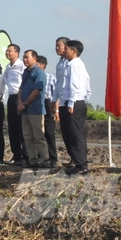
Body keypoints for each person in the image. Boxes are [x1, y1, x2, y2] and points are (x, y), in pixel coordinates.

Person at [59, 40, 91, 176]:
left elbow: (75, 85)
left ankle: (81, 165)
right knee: (72, 133)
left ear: (74, 50)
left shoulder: (74, 64)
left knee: (76, 134)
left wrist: (71, 103)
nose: (64, 51)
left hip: (74, 102)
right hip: (77, 101)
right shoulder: (77, 64)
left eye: (67, 49)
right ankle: (79, 163)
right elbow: (87, 83)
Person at [18, 50, 49, 168]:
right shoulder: (25, 72)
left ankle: (45, 160)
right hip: (25, 110)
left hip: (35, 109)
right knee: (27, 135)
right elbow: (21, 89)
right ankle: (33, 159)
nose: (25, 60)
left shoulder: (39, 73)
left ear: (34, 58)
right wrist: (19, 102)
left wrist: (25, 103)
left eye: (27, 57)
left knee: (38, 135)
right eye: (24, 58)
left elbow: (36, 91)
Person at [3, 44, 27, 165]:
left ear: (17, 53)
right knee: (12, 128)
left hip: (20, 98)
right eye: (7, 51)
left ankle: (25, 155)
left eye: (10, 51)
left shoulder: (22, 66)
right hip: (11, 97)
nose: (7, 53)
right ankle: (16, 154)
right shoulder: (8, 67)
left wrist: (21, 99)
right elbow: (5, 79)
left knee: (21, 127)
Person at [37, 55, 58, 167]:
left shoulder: (51, 78)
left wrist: (56, 110)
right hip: (36, 105)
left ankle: (53, 158)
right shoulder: (33, 77)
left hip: (48, 103)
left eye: (37, 64)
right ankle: (42, 157)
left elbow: (55, 95)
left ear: (43, 65)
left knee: (49, 133)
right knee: (38, 133)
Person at [55, 36, 71, 165]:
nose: (56, 48)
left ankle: (78, 160)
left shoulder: (71, 63)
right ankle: (72, 157)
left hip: (70, 102)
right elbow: (58, 84)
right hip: (62, 102)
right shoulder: (59, 63)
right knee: (65, 132)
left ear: (66, 46)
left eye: (59, 45)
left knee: (73, 132)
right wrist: (54, 102)